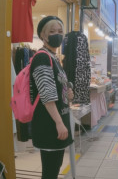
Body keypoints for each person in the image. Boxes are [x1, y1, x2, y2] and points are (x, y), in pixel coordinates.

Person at [30, 16, 74, 179]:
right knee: (50, 171)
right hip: (49, 124)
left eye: (60, 31)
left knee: (54, 168)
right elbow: (47, 96)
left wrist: (68, 94)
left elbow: (57, 88)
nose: (57, 35)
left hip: (56, 122)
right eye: (52, 31)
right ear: (43, 35)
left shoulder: (53, 57)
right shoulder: (42, 57)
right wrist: (59, 123)